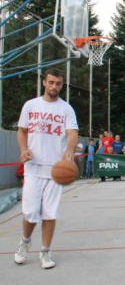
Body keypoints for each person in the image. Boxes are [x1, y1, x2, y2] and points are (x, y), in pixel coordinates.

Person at [14, 68, 79, 269]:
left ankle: (45, 251)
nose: (54, 86)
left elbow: (73, 133)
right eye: (51, 82)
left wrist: (69, 151)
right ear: (44, 82)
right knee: (31, 213)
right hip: (33, 167)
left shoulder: (66, 108)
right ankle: (24, 242)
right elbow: (22, 131)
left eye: (58, 83)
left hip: (55, 169)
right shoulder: (31, 105)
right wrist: (24, 149)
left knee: (50, 213)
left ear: (62, 85)